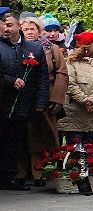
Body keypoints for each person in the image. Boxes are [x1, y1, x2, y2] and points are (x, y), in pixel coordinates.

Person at [0, 9, 46, 190]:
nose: (6, 29)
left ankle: (9, 177)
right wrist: (10, 81)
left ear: (19, 26)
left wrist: (41, 102)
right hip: (3, 101)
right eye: (3, 25)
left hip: (22, 103)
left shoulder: (34, 48)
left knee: (15, 142)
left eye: (10, 25)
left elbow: (41, 78)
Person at [20, 16, 62, 185]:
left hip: (47, 98)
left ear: (39, 31)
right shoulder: (17, 48)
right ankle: (23, 173)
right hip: (22, 97)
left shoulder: (52, 49)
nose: (29, 32)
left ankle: (44, 172)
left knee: (44, 137)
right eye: (25, 29)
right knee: (24, 136)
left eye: (32, 29)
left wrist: (56, 99)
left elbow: (62, 73)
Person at [64, 33, 93, 141]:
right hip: (75, 112)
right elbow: (70, 84)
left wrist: (91, 100)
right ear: (87, 46)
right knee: (75, 145)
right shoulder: (71, 62)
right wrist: (85, 101)